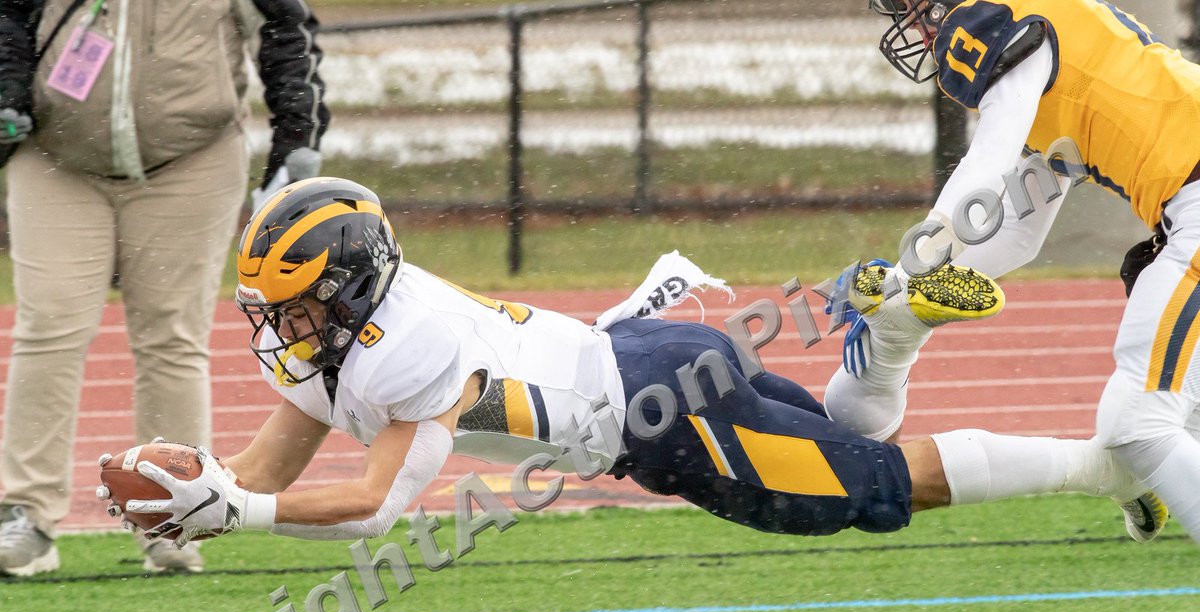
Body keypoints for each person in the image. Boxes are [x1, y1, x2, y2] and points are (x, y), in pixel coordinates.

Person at [99, 178, 1165, 546]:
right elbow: (282, 457)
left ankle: (1105, 466)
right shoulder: (354, 331)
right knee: (860, 440)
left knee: (884, 484)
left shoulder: (404, 346)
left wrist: (232, 513)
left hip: (663, 414)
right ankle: (893, 332)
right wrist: (208, 486)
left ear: (349, 289)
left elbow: (378, 507)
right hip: (651, 352)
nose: (281, 329)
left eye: (296, 305)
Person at [821, 0, 1199, 541]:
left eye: (919, 11)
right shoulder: (1063, 66)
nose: (919, 28)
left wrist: (922, 257)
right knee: (1174, 433)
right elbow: (1020, 234)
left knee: (1137, 426)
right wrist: (903, 294)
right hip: (1185, 203)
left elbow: (988, 158)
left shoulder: (1007, 21)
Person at [0, 0, 330, 576]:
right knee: (48, 328)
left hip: (192, 161)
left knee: (172, 339)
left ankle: (170, 518)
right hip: (55, 156)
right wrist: (6, 92)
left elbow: (286, 29)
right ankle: (26, 514)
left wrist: (295, 135)